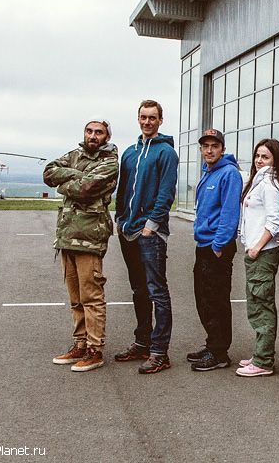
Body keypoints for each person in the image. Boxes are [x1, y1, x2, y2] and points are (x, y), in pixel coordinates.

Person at [45, 117, 119, 372]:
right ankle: (80, 344)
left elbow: (86, 189)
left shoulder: (109, 161)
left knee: (91, 296)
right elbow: (49, 172)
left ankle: (94, 350)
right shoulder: (75, 155)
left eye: (99, 132)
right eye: (89, 131)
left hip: (90, 237)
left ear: (107, 137)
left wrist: (65, 184)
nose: (93, 136)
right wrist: (76, 175)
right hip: (67, 236)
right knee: (76, 298)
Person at [113, 100, 179, 374]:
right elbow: (123, 189)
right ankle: (142, 342)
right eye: (143, 117)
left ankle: (160, 351)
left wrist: (151, 226)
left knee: (157, 291)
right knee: (139, 290)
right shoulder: (130, 152)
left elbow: (166, 192)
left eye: (152, 117)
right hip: (128, 231)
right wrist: (120, 219)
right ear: (138, 119)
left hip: (150, 234)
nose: (147, 122)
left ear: (160, 120)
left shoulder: (166, 153)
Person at [187, 129, 241, 371]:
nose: (209, 150)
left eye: (214, 146)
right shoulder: (208, 173)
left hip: (216, 247)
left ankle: (219, 353)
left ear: (223, 149)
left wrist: (218, 245)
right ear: (201, 149)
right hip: (204, 245)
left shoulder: (229, 173)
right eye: (206, 146)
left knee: (216, 300)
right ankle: (212, 343)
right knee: (204, 298)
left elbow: (230, 213)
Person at [236, 138, 279, 378]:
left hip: (263, 254)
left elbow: (275, 223)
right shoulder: (258, 181)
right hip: (256, 253)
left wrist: (257, 247)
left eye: (265, 157)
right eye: (257, 156)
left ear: (275, 160)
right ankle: (260, 353)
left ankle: (264, 360)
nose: (259, 160)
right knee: (256, 305)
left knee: (262, 306)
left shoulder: (269, 184)